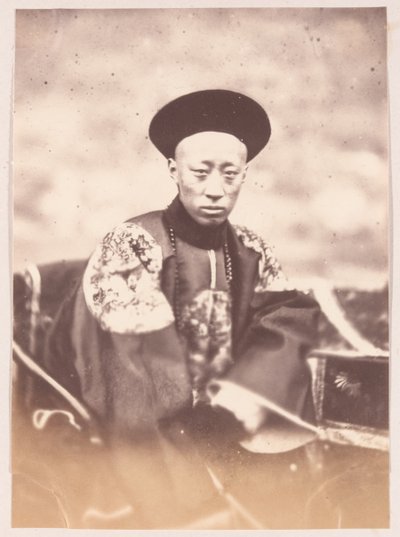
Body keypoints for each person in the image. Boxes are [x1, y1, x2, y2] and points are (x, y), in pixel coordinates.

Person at [42, 89, 320, 528]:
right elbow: (128, 352)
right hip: (143, 412)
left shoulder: (252, 249)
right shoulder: (132, 241)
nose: (216, 191)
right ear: (173, 170)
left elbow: (287, 319)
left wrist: (238, 403)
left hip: (224, 414)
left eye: (230, 174)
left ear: (245, 174)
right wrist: (185, 413)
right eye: (200, 172)